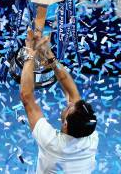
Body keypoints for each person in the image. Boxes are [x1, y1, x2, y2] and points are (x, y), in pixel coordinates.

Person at [19, 28, 98, 173]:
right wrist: (49, 55)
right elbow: (71, 92)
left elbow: (26, 97)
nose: (69, 103)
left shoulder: (52, 144)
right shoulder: (89, 135)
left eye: (69, 108)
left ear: (66, 124)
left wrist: (29, 54)